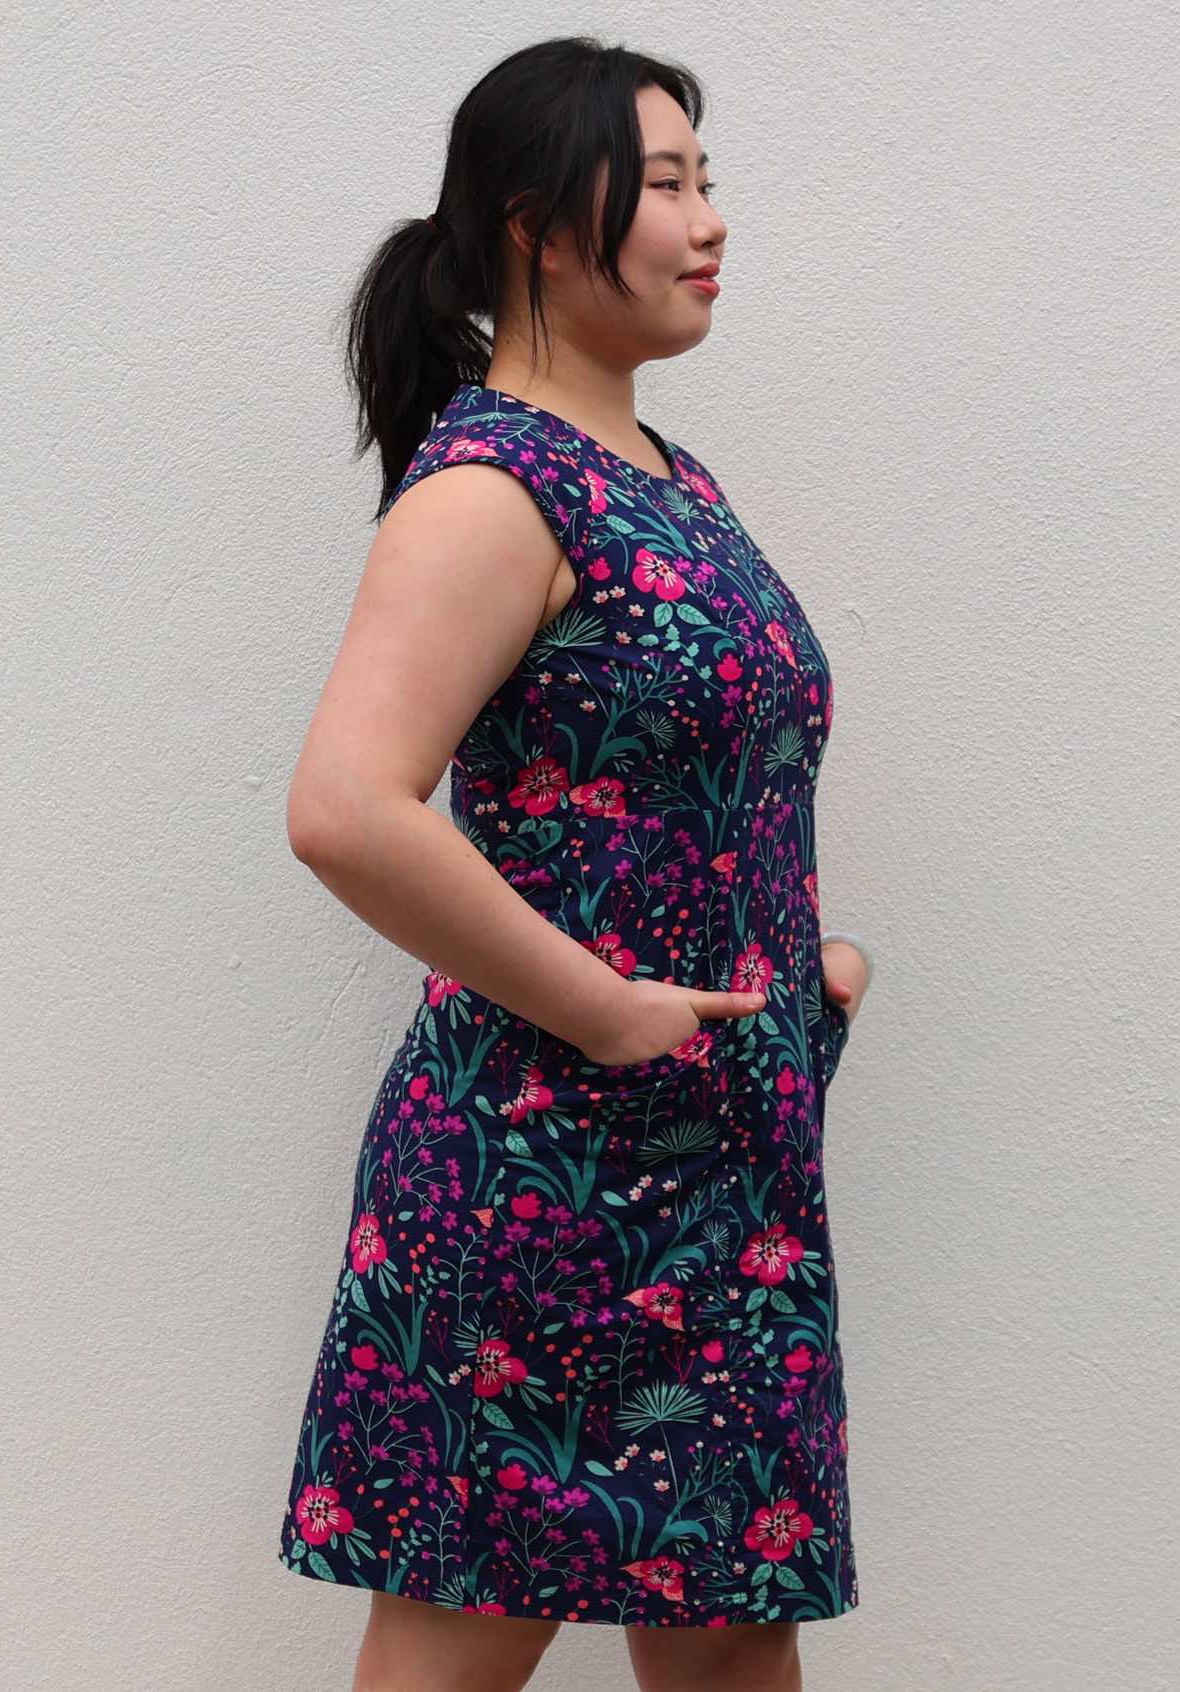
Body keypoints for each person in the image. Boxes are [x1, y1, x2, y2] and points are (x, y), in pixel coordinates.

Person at [276, 33, 874, 1692]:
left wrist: (802, 967)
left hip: (722, 1174)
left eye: (708, 182)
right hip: (549, 1184)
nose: (709, 220)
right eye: (667, 185)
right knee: (462, 1644)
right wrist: (610, 1008)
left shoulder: (670, 480)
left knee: (734, 1641)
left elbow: (690, 785)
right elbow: (348, 806)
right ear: (542, 225)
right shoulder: (492, 489)